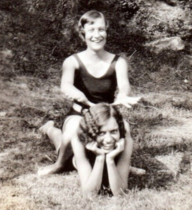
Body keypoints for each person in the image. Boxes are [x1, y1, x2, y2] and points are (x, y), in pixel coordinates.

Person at [38, 10, 141, 176]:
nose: (97, 35)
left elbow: (124, 85)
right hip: (80, 113)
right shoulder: (72, 61)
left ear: (106, 31)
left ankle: (124, 165)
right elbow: (66, 85)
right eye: (91, 30)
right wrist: (79, 96)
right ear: (83, 33)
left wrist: (123, 95)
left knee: (126, 129)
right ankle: (59, 163)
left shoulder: (118, 61)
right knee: (70, 133)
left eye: (101, 29)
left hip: (105, 115)